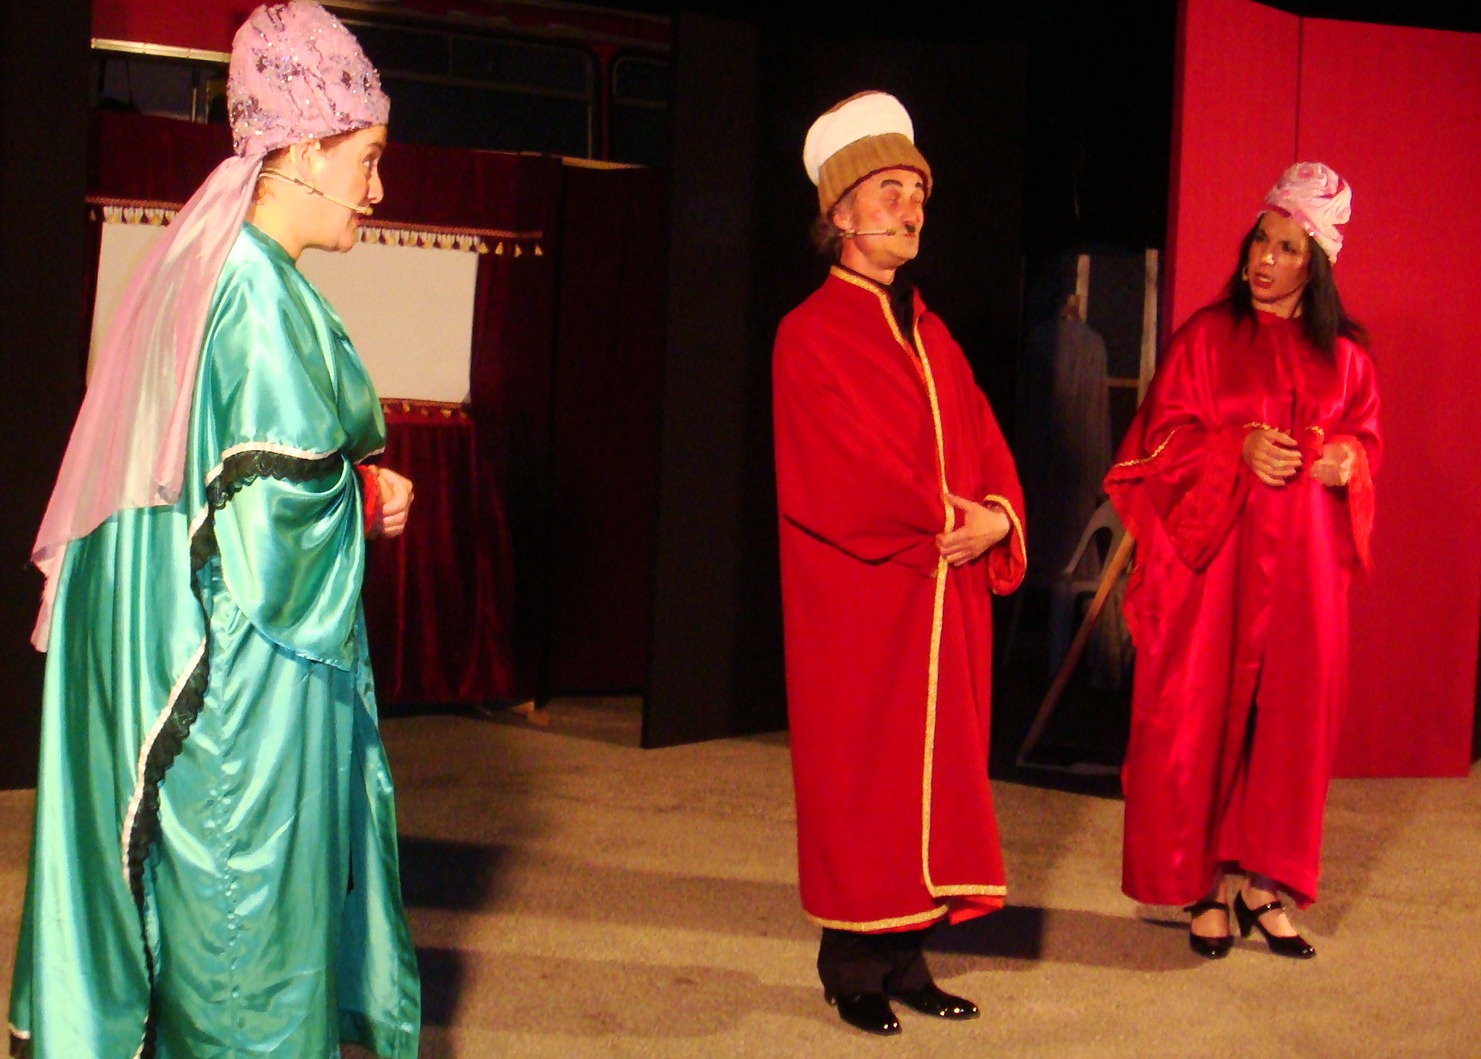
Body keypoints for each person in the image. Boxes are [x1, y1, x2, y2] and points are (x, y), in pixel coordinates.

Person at [8, 4, 422, 1056]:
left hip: (208, 670)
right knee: (251, 946)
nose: (378, 190)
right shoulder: (253, 292)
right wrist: (368, 498)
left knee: (215, 940)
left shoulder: (216, 269)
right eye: (367, 159)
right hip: (243, 698)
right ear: (306, 150)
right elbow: (274, 520)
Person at [772, 90, 1026, 1036]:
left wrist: (997, 516)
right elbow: (838, 469)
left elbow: (984, 440)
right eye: (889, 191)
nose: (911, 209)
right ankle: (850, 966)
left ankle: (907, 957)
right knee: (863, 778)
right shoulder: (809, 332)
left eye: (917, 193)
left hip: (941, 593)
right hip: (864, 599)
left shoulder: (933, 332)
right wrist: (944, 514)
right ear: (840, 212)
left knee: (931, 779)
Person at [1104, 162, 1380, 961]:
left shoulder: (1347, 359)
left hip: (1303, 570)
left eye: (1285, 247)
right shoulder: (1204, 339)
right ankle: (1202, 886)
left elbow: (1365, 439)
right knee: (1200, 716)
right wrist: (1236, 445)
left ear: (1314, 264)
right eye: (1260, 240)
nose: (1263, 258)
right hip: (1216, 564)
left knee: (1290, 722)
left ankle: (1264, 883)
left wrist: (1348, 462)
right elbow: (1155, 443)